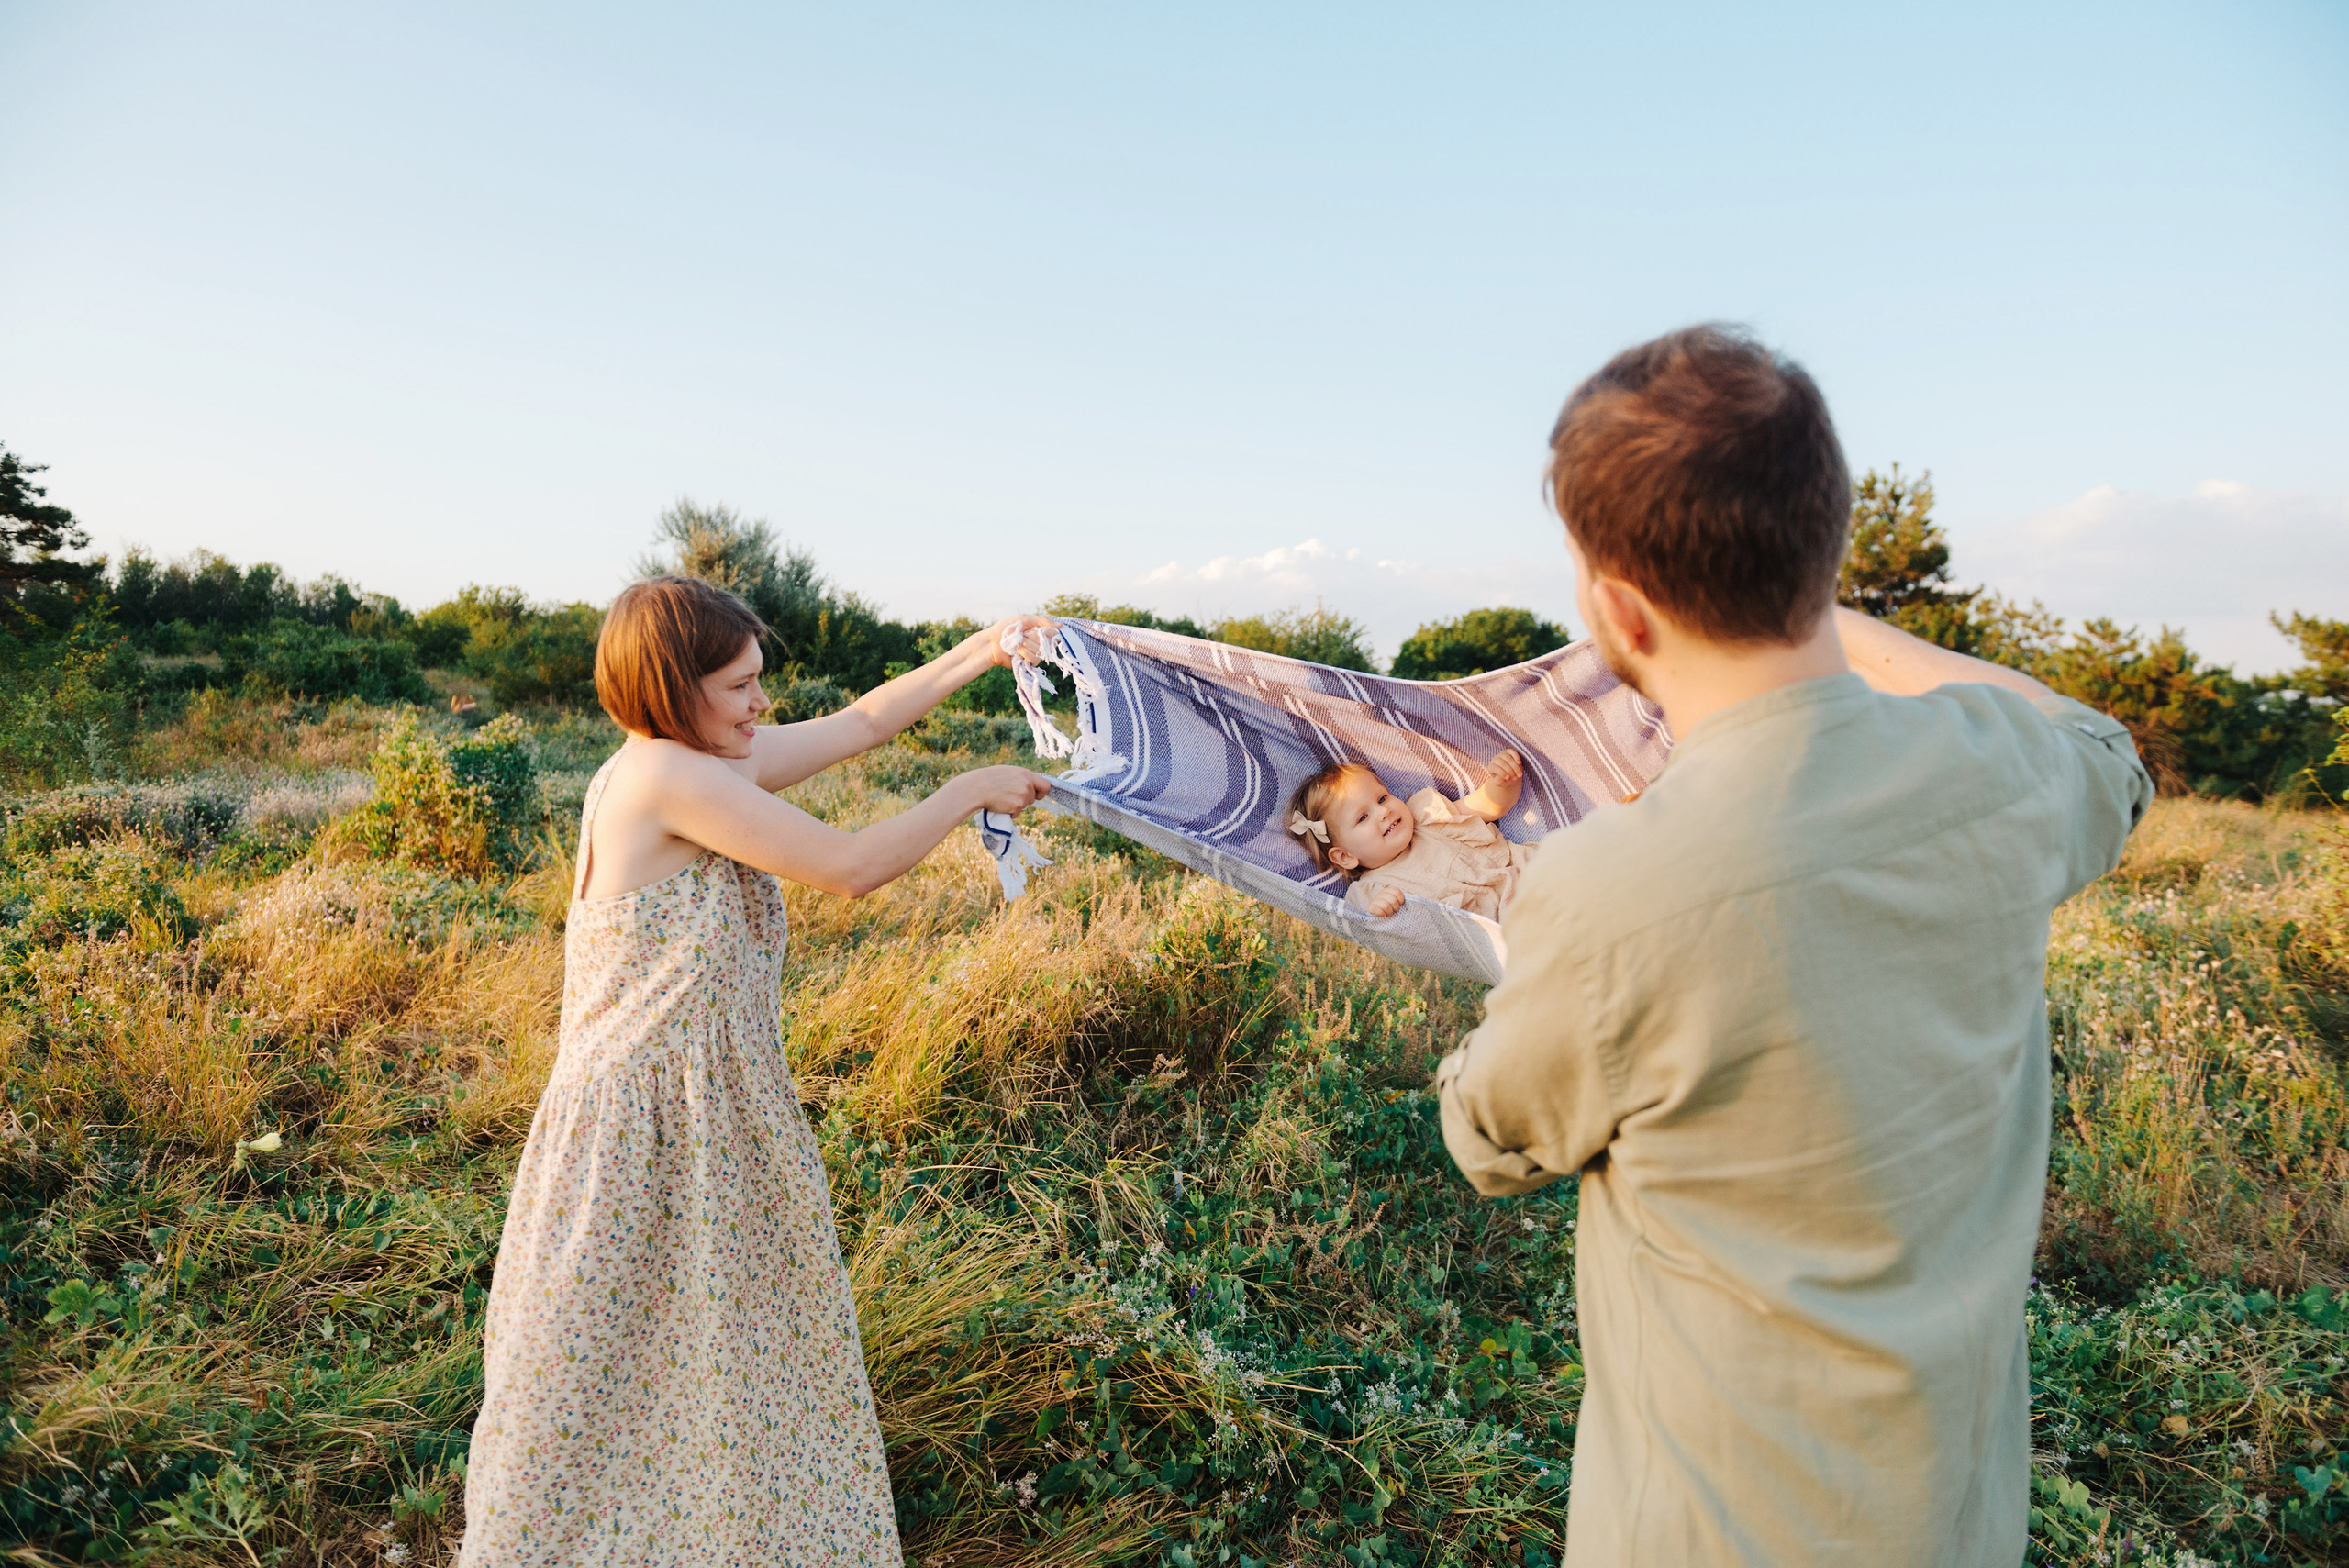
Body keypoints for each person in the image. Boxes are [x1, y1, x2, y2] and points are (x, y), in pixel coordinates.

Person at [1433, 327, 2152, 1566]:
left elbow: (1490, 1138)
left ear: (1615, 608)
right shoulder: (2005, 773)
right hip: (1956, 1524)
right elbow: (2107, 752)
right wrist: (1839, 621)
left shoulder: (1605, 888)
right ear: (1825, 544)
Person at [457, 577, 1056, 1567]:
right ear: (670, 687)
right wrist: (965, 790)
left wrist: (985, 649)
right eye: (739, 685)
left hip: (702, 1111)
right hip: (642, 1125)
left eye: (759, 682)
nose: (760, 704)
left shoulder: (697, 757)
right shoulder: (664, 778)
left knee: (718, 1365)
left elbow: (863, 721)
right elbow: (852, 864)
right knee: (598, 1373)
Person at [1283, 749, 1535, 919]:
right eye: (1362, 817)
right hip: (1509, 927)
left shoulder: (1424, 815)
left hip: (1532, 873)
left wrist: (1503, 781)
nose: (1383, 812)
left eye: (1382, 798)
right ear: (1346, 857)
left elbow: (1488, 805)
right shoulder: (1372, 889)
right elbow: (1381, 929)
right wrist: (1381, 909)